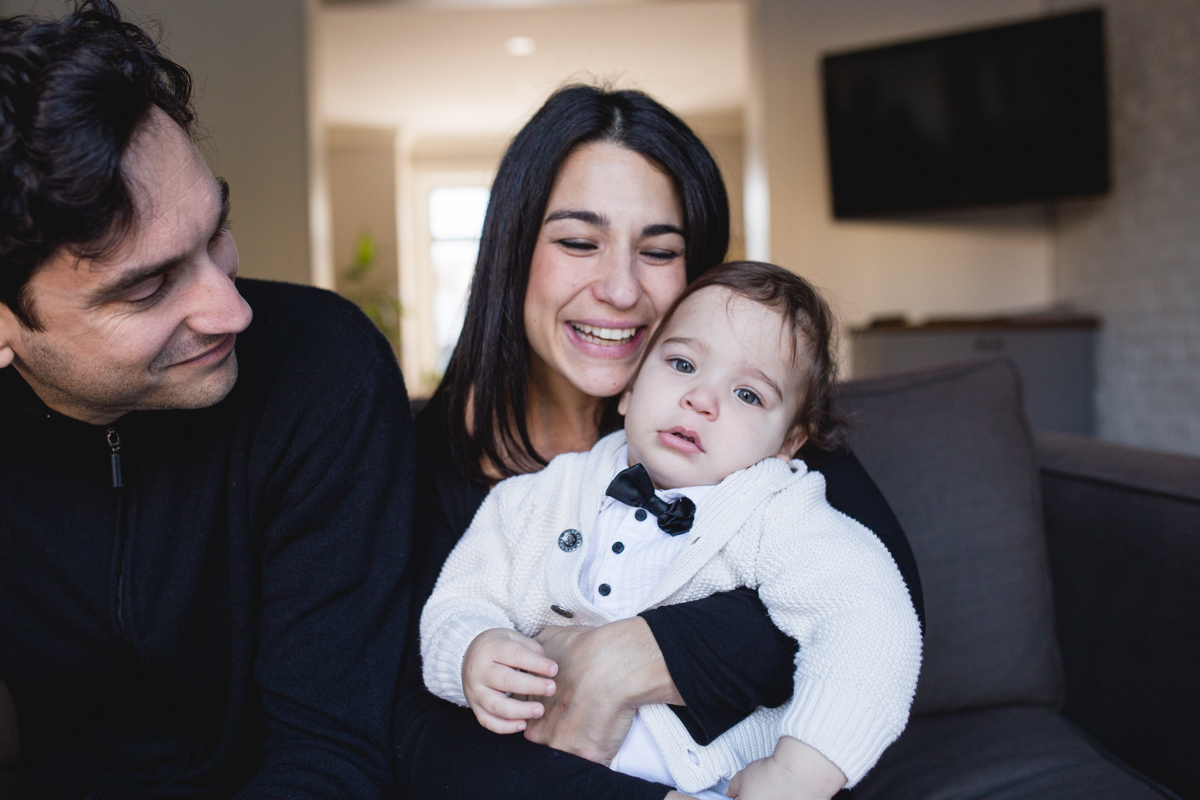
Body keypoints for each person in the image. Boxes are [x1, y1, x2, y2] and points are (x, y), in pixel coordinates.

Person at [395, 84, 925, 800]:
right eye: (579, 242)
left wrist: (634, 655)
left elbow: (878, 604)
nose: (619, 289)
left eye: (659, 250)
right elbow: (414, 724)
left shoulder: (752, 441)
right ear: (513, 251)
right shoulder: (438, 476)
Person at [0, 3, 411, 797]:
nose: (232, 311)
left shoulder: (322, 367)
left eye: (217, 231)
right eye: (149, 285)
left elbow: (332, 757)